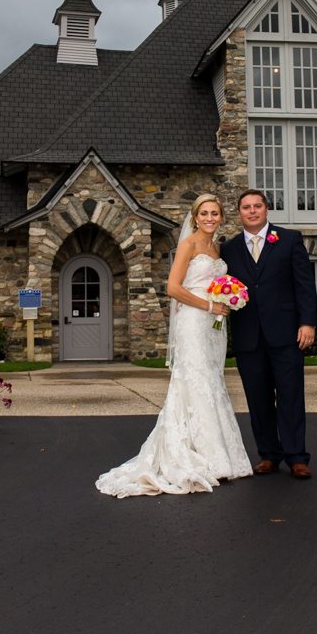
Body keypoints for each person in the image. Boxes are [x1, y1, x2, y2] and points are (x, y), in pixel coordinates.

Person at [96, 194, 253, 497]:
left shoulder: (217, 248)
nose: (210, 218)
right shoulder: (189, 244)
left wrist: (226, 299)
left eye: (215, 213)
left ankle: (220, 454)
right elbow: (173, 288)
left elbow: (217, 283)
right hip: (195, 321)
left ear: (221, 217)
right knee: (196, 382)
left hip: (214, 326)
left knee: (213, 381)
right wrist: (209, 306)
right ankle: (206, 456)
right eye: (204, 213)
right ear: (195, 217)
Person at [219, 188, 317, 479]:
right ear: (239, 213)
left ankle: (297, 457)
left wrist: (308, 323)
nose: (252, 211)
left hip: (286, 333)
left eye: (257, 206)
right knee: (258, 399)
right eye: (246, 207)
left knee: (290, 396)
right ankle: (268, 455)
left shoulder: (289, 240)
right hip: (249, 335)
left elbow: (304, 286)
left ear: (266, 209)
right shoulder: (230, 249)